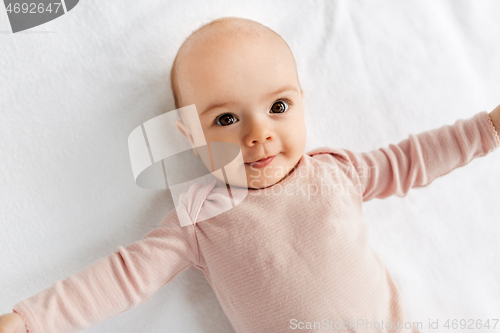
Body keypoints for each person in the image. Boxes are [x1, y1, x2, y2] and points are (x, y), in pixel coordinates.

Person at [2, 16, 500, 333]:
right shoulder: (200, 219)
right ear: (190, 137)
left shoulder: (337, 172)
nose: (258, 135)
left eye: (278, 106)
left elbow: (415, 158)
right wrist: (30, 321)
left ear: (303, 102)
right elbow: (121, 277)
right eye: (225, 119)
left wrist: (489, 128)